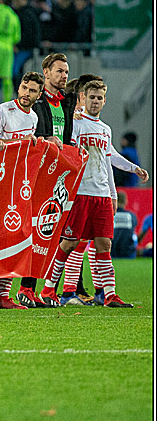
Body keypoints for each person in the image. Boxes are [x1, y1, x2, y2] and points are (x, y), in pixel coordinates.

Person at [40, 80, 150, 308]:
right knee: (69, 244)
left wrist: (133, 168)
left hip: (100, 194)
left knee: (104, 245)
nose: (96, 101)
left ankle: (109, 294)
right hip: (80, 192)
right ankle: (49, 289)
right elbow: (66, 148)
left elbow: (111, 156)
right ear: (83, 97)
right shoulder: (76, 123)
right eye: (92, 97)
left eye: (99, 98)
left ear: (104, 101)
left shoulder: (105, 129)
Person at [16, 52, 83, 307]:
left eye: (66, 71)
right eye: (59, 71)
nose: (64, 75)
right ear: (46, 73)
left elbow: (65, 136)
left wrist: (73, 147)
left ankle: (35, 289)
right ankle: (20, 288)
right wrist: (45, 140)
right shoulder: (36, 99)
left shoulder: (67, 101)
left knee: (48, 232)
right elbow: (28, 131)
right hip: (35, 173)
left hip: (59, 175)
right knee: (33, 230)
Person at [0, 71, 50, 309]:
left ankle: (4, 296)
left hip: (18, 187)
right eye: (24, 88)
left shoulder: (32, 117)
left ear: (39, 94)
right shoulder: (1, 112)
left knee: (15, 239)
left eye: (32, 91)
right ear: (19, 87)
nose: (26, 93)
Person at [112, 192, 138, 258]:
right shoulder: (132, 215)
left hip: (113, 251)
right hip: (129, 252)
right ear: (126, 201)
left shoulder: (109, 215)